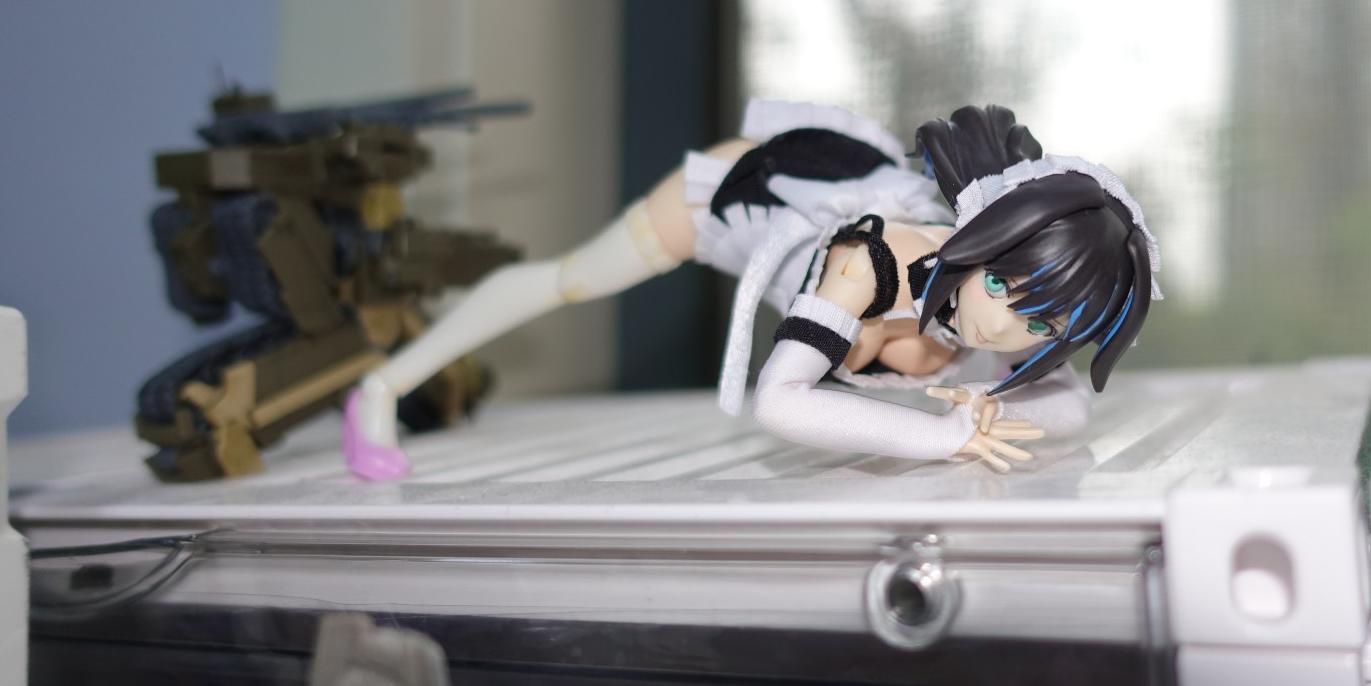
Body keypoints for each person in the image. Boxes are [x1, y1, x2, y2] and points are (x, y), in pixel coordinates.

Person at [341, 100, 1160, 478]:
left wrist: (990, 407)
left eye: (1043, 327)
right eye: (1007, 290)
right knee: (574, 279)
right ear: (987, 243)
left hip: (857, 190)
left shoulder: (983, 322)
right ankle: (379, 388)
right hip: (743, 193)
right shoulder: (867, 263)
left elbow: (1072, 407)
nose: (1007, 333)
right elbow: (780, 402)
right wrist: (943, 437)